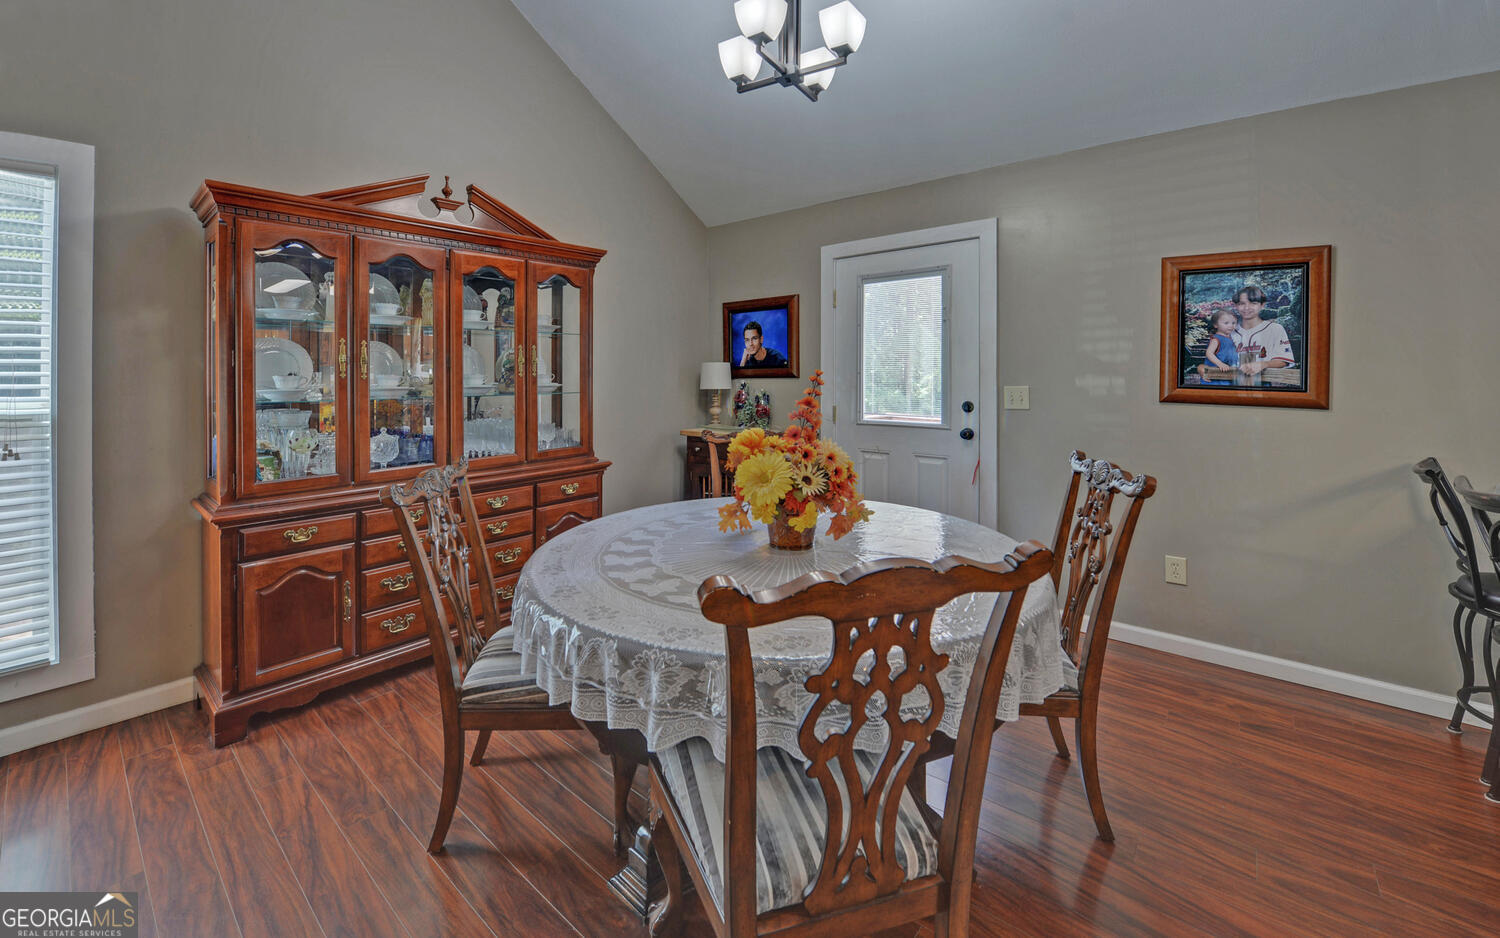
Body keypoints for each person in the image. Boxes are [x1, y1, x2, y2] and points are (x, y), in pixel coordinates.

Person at [1232, 285, 1294, 375]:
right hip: (1230, 384)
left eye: (1253, 303)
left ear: (1262, 305)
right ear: (1236, 306)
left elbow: (1283, 360)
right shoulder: (1229, 331)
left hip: (1263, 384)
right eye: (1242, 303)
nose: (1247, 308)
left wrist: (1263, 364)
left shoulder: (1275, 329)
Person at [1197, 308, 1240, 385]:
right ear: (1216, 325)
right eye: (1226, 323)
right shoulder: (1216, 339)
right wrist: (1220, 363)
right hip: (1215, 374)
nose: (1231, 326)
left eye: (1233, 323)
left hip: (1227, 372)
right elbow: (1209, 353)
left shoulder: (1231, 339)